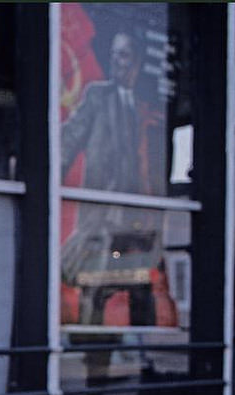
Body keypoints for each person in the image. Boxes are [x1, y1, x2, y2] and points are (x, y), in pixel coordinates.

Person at [60, 29, 161, 326]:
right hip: (103, 218)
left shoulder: (146, 108)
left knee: (143, 289)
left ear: (138, 62)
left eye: (124, 54)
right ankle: (92, 354)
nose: (117, 61)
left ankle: (147, 354)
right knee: (95, 287)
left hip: (139, 223)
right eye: (114, 53)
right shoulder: (97, 95)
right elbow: (68, 139)